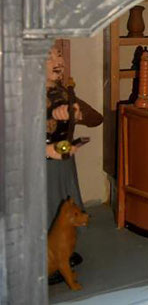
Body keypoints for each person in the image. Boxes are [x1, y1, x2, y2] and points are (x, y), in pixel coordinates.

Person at [45, 44, 103, 284]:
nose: (57, 62)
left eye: (58, 55)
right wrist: (51, 115)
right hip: (42, 165)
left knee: (65, 204)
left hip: (64, 160)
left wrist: (77, 113)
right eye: (48, 57)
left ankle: (62, 250)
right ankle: (46, 261)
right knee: (47, 207)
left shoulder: (64, 92)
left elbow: (96, 118)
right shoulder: (23, 94)